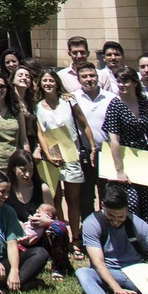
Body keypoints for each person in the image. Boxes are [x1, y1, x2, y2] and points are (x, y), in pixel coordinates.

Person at [35, 67, 93, 246]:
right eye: (44, 81)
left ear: (57, 83)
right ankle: (62, 236)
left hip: (71, 154)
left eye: (51, 80)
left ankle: (76, 238)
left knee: (73, 200)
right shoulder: (37, 106)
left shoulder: (69, 101)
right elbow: (40, 134)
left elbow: (84, 123)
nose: (48, 83)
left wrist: (92, 146)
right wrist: (48, 155)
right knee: (56, 200)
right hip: (52, 157)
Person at [101, 66, 148, 230]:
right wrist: (119, 170)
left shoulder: (144, 102)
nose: (121, 85)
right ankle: (130, 242)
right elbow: (114, 140)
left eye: (125, 81)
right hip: (123, 158)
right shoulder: (115, 105)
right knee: (131, 203)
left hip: (143, 157)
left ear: (135, 83)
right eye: (119, 81)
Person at [5, 149, 71, 277]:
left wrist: (46, 222)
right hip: (14, 237)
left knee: (58, 227)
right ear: (13, 168)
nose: (27, 174)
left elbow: (51, 213)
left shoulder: (42, 188)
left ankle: (60, 266)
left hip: (38, 236)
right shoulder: (6, 189)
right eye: (23, 170)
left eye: (31, 170)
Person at [71, 63, 115, 214]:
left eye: (92, 76)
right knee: (86, 196)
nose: (89, 79)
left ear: (97, 77)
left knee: (107, 193)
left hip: (107, 153)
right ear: (78, 79)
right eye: (84, 76)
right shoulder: (72, 98)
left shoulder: (111, 98)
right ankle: (90, 228)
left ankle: (108, 227)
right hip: (85, 153)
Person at [9, 60, 41, 155]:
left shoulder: (32, 103)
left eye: (27, 76)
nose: (24, 78)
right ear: (13, 80)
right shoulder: (8, 102)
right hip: (13, 146)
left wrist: (37, 148)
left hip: (30, 146)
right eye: (20, 75)